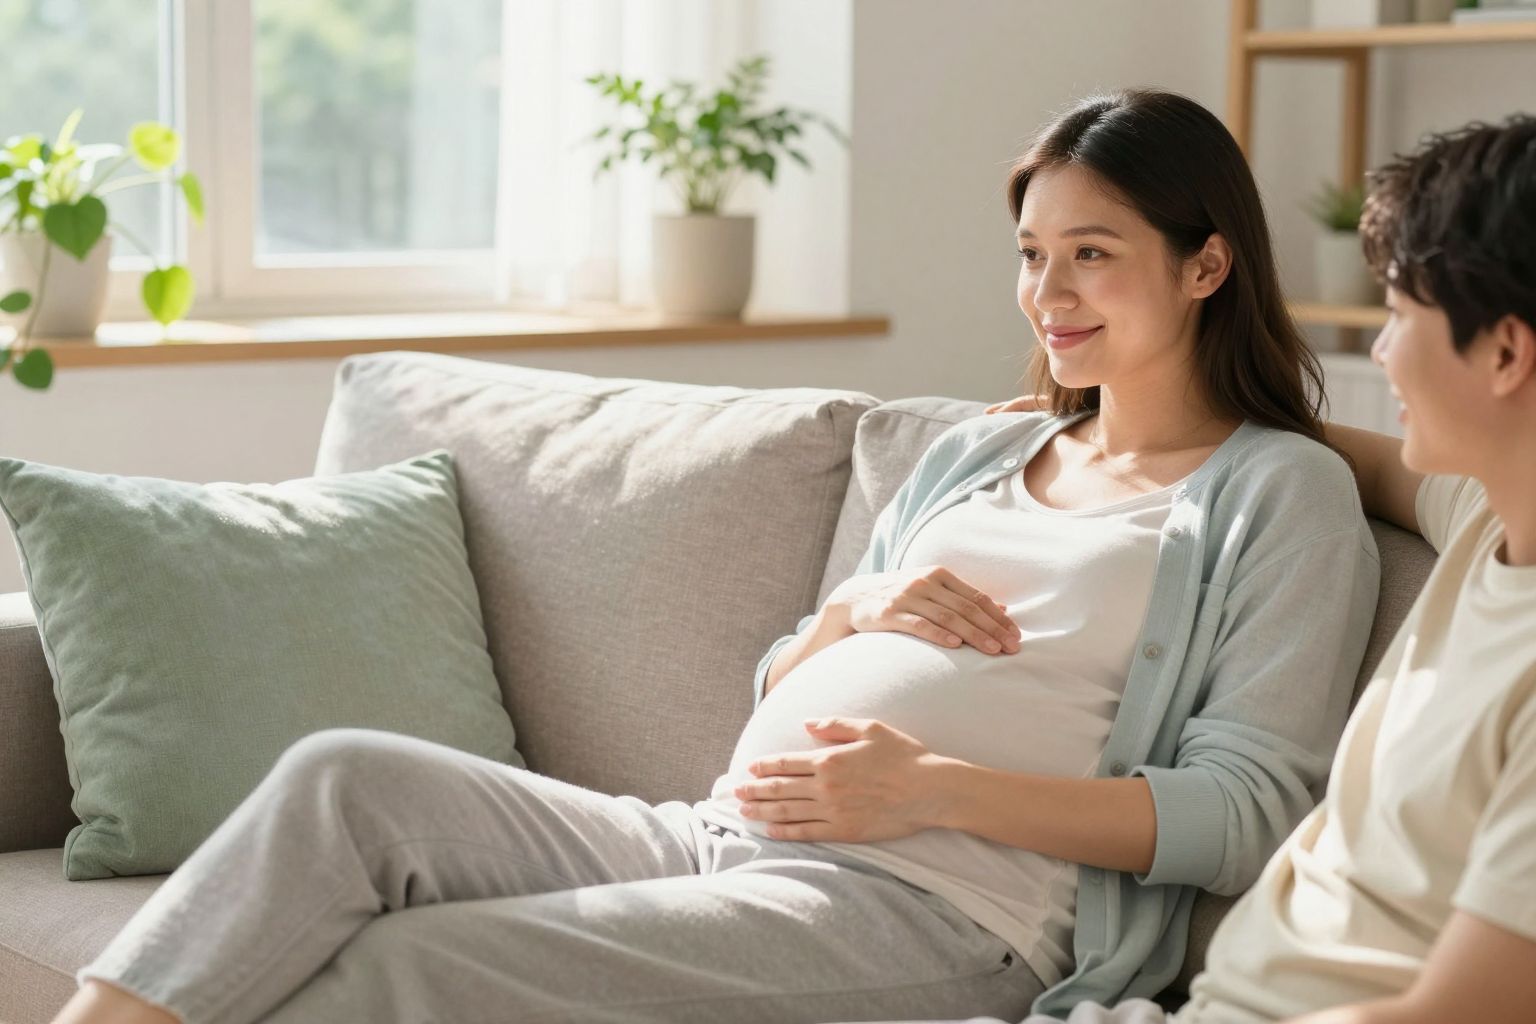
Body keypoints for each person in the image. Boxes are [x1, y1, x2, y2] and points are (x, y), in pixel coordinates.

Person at [49, 89, 1377, 1024]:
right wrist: (850, 615)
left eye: (1093, 254)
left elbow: (1243, 816)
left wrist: (935, 787)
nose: (1049, 294)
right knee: (344, 782)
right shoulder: (980, 453)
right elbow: (778, 688)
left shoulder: (1281, 493)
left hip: (938, 911)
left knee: (414, 966)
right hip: (706, 838)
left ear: (1207, 266)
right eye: (1033, 255)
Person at [968, 112, 1536, 1024]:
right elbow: (1370, 459)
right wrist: (1109, 425)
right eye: (1033, 254)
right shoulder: (1487, 516)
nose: (1380, 351)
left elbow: (1466, 1010)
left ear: (1505, 352)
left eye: (1398, 316)